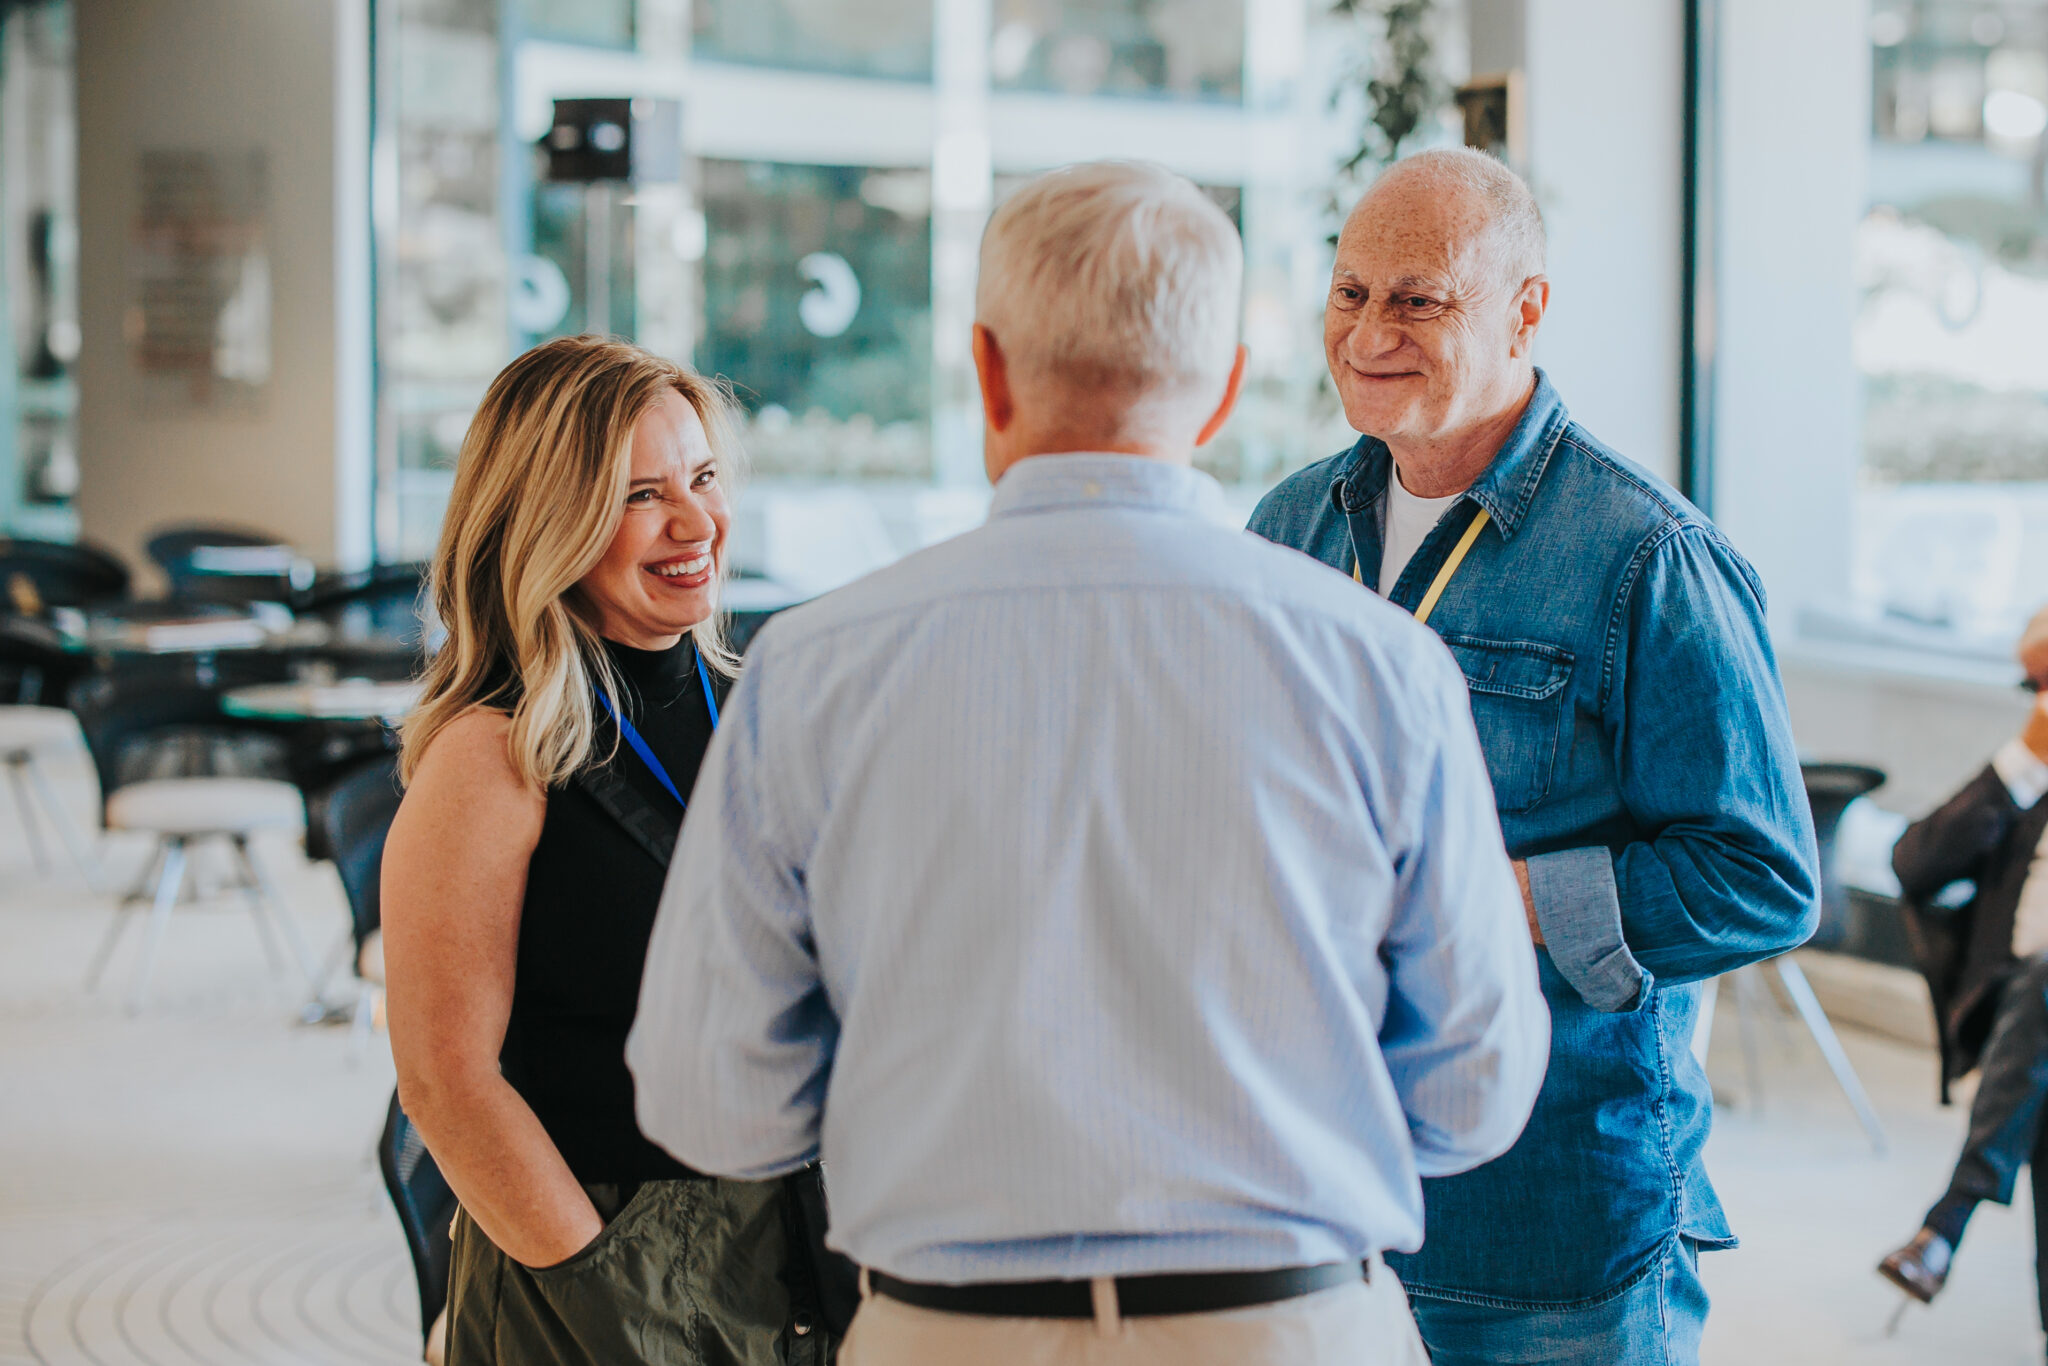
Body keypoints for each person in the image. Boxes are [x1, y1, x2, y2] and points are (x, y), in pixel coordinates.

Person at [626, 160, 1548, 1366]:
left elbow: (713, 1101)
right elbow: (1472, 1087)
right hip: (1292, 1325)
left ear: (986, 370)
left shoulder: (812, 668)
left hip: (943, 1333)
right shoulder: (1378, 664)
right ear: (1219, 393)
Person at [1247, 147, 1821, 1365]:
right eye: (1349, 293)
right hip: (1318, 1192)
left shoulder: (1648, 556)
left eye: (1417, 299)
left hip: (1547, 1215)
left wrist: (1495, 899)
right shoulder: (1286, 525)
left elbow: (1761, 879)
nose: (1365, 334)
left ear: (1526, 309)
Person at [381, 336, 833, 1366]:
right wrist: (593, 1273)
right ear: (547, 518)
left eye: (703, 477)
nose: (693, 523)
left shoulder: (752, 703)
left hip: (789, 1231)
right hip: (604, 1238)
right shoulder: (493, 750)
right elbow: (444, 1082)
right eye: (639, 495)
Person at [1879, 604, 2048, 1339]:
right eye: (2035, 686)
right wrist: (2026, 760)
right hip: (2022, 1021)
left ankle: (1948, 1218)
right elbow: (1914, 864)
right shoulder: (2026, 781)